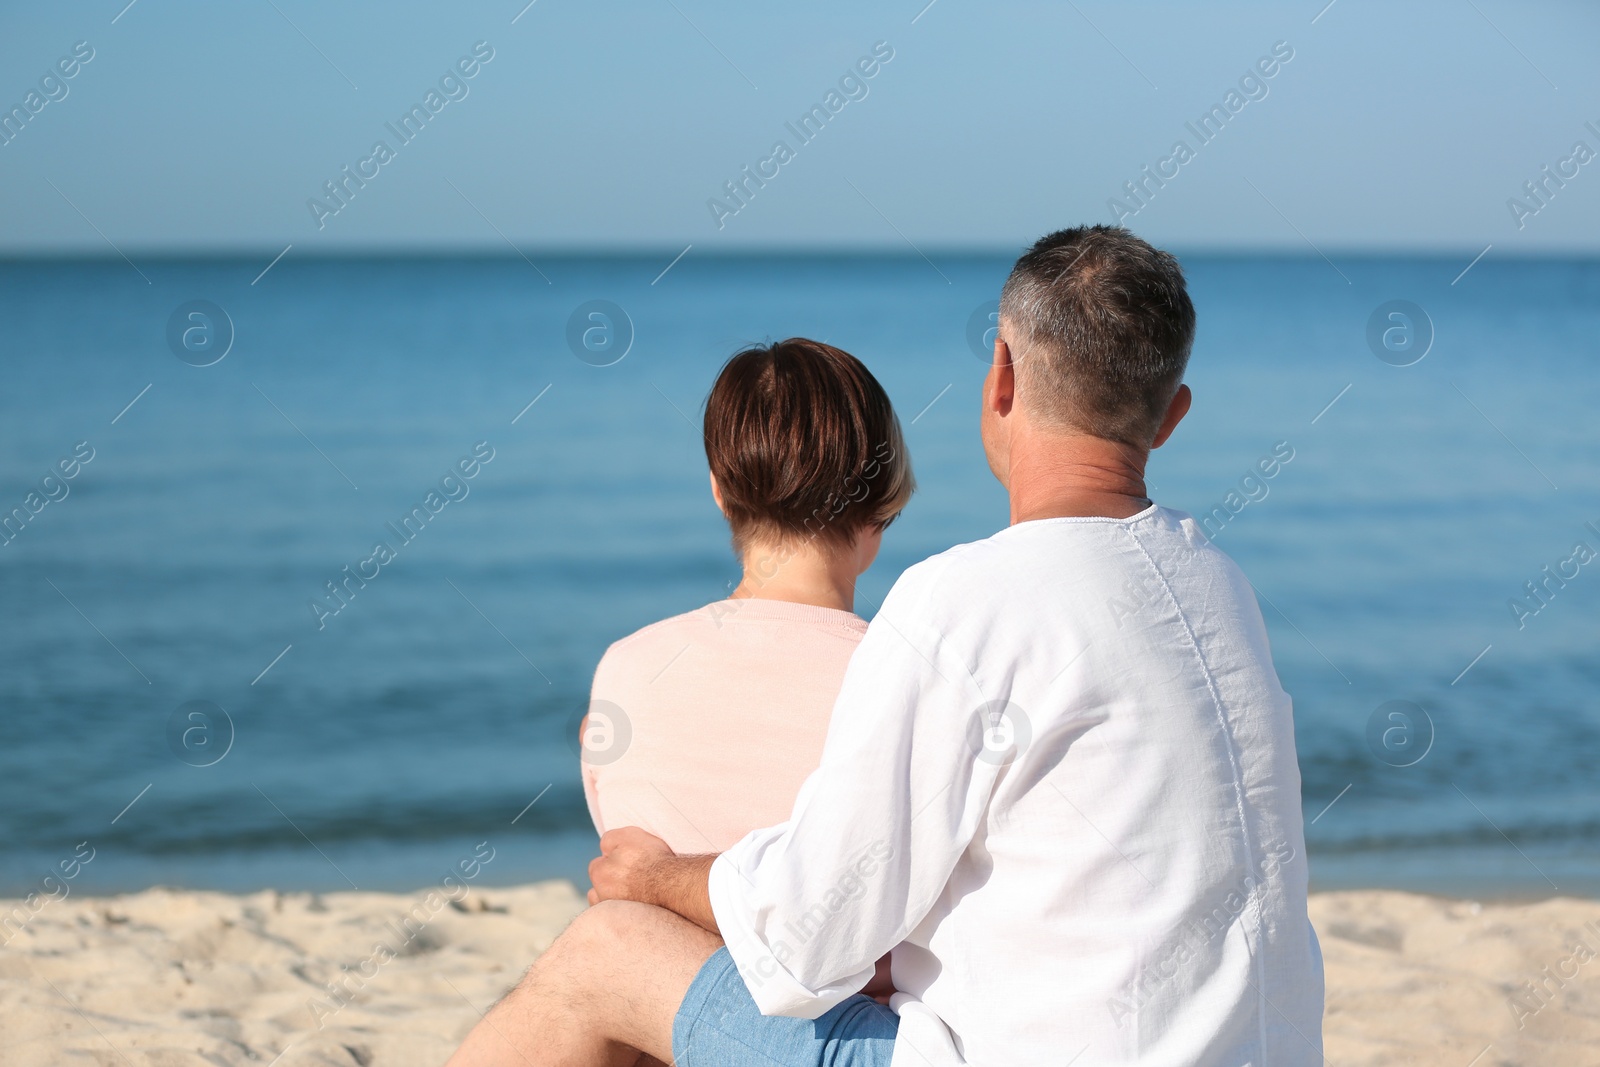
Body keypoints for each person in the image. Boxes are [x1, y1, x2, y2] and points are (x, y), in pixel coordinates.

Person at [447, 226, 1326, 1067]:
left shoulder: (967, 602)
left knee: (607, 948)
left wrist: (660, 875)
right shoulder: (1221, 587)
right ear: (1170, 416)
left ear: (1003, 378)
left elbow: (808, 926)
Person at [580, 337, 914, 855]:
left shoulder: (626, 667)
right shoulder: (906, 680)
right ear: (882, 494)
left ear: (719, 490)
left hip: (654, 930)